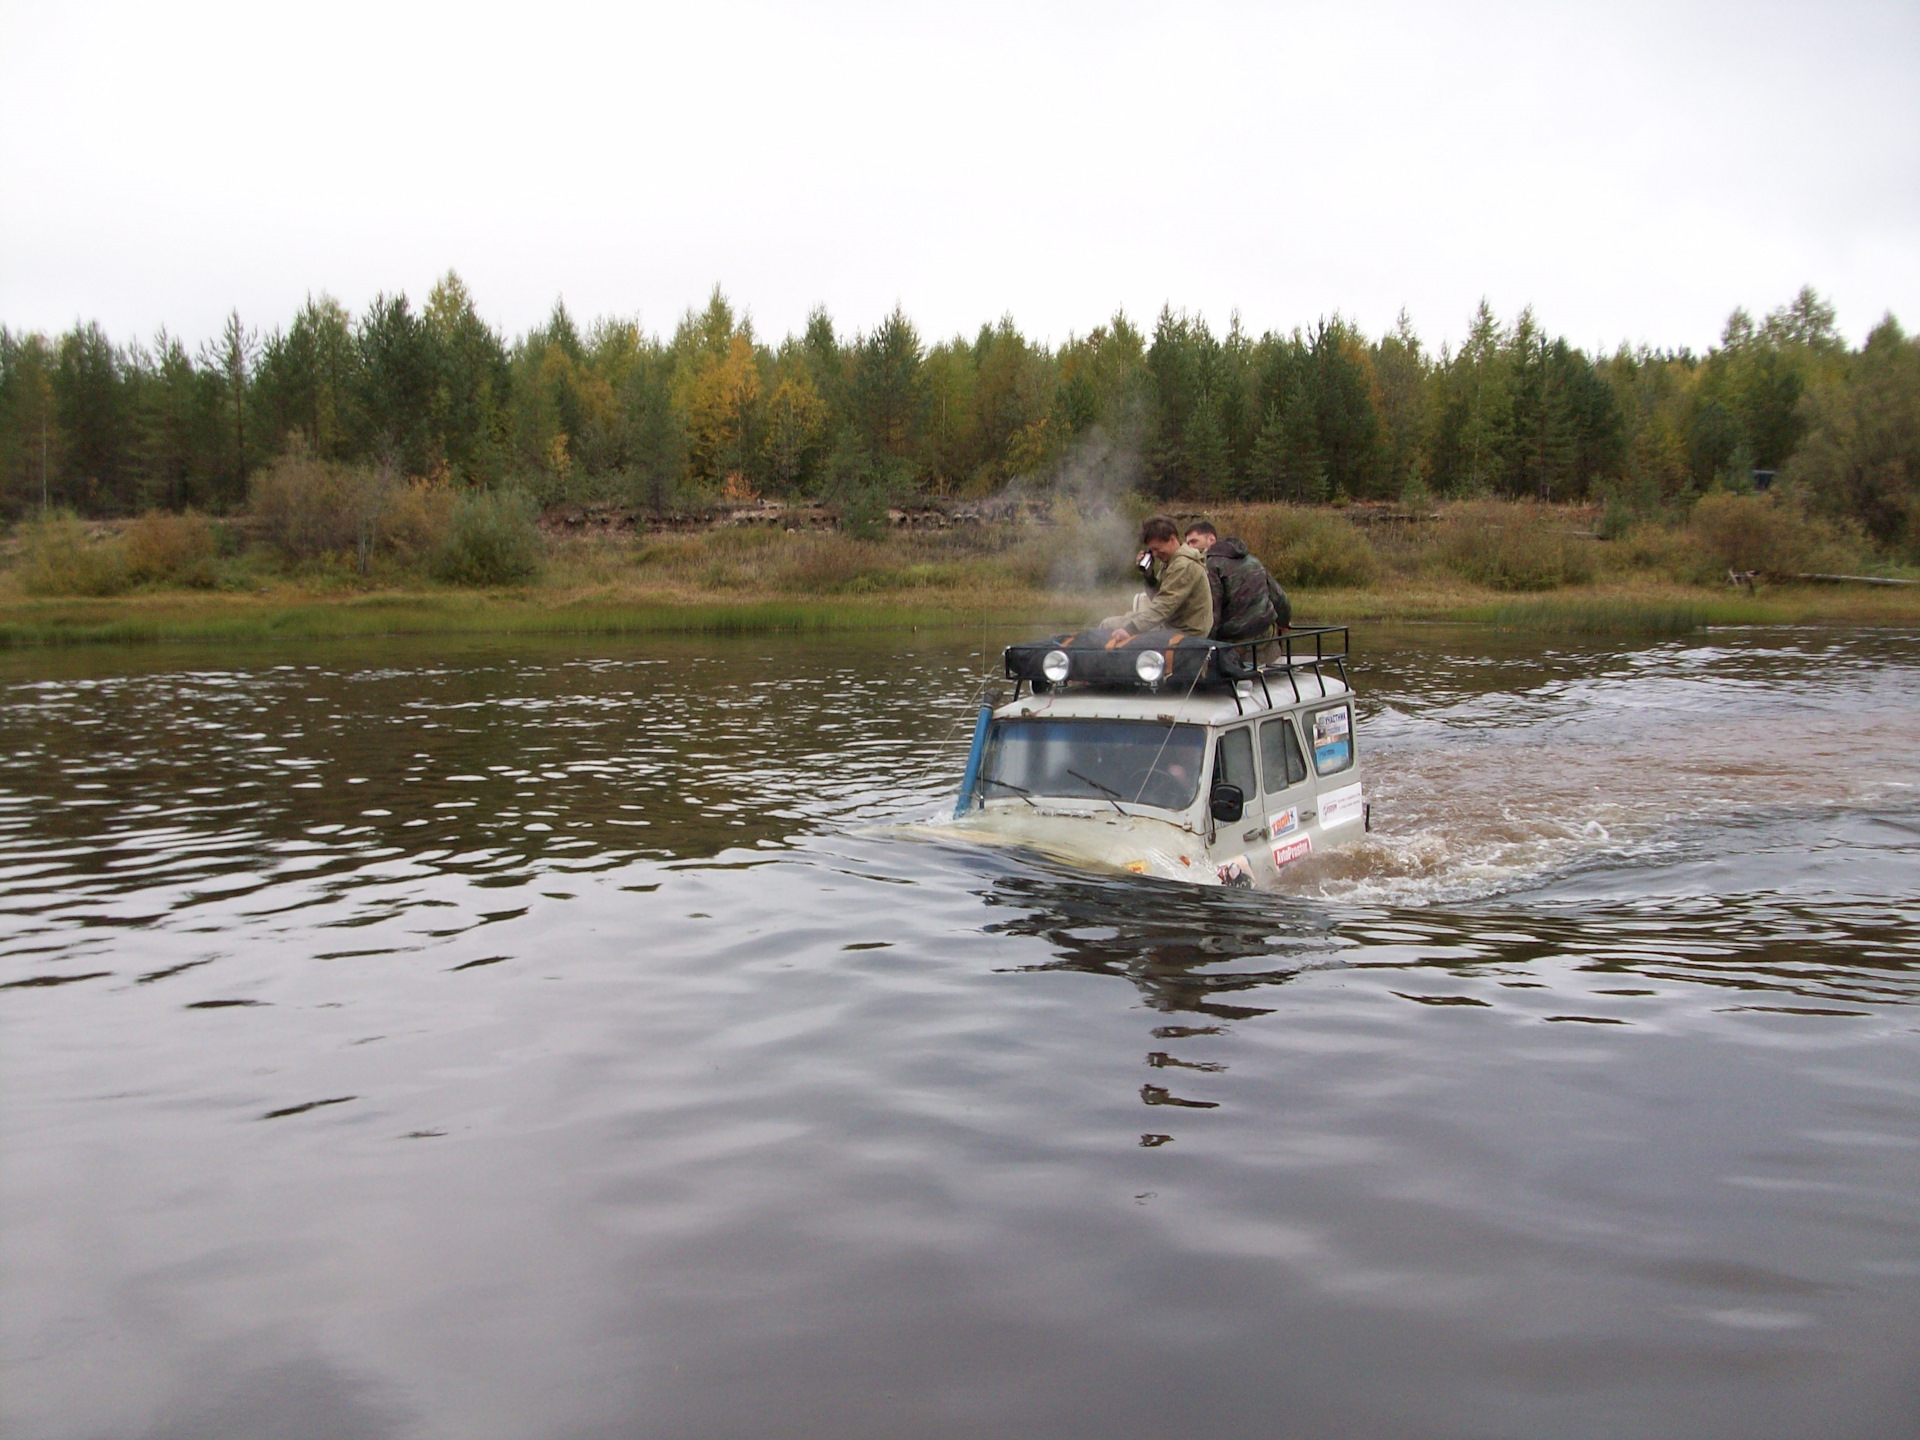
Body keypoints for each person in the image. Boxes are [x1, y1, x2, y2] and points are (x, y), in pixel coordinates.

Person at [1183, 520, 1291, 650]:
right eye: (1187, 543)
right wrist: (1284, 622)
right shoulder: (1252, 560)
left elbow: (1211, 613)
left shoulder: (1210, 566)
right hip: (1266, 638)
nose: (1190, 547)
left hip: (1235, 644)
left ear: (1211, 539)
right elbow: (1279, 597)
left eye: (1194, 541)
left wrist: (1203, 647)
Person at [1100, 516, 1213, 638]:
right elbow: (1158, 598)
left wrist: (1131, 629)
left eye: (1157, 549)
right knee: (1111, 623)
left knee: (1109, 626)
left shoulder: (1183, 565)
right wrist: (1149, 578)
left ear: (1172, 539)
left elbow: (1164, 605)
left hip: (1186, 633)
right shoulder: (1171, 562)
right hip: (1170, 626)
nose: (1154, 554)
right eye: (1151, 550)